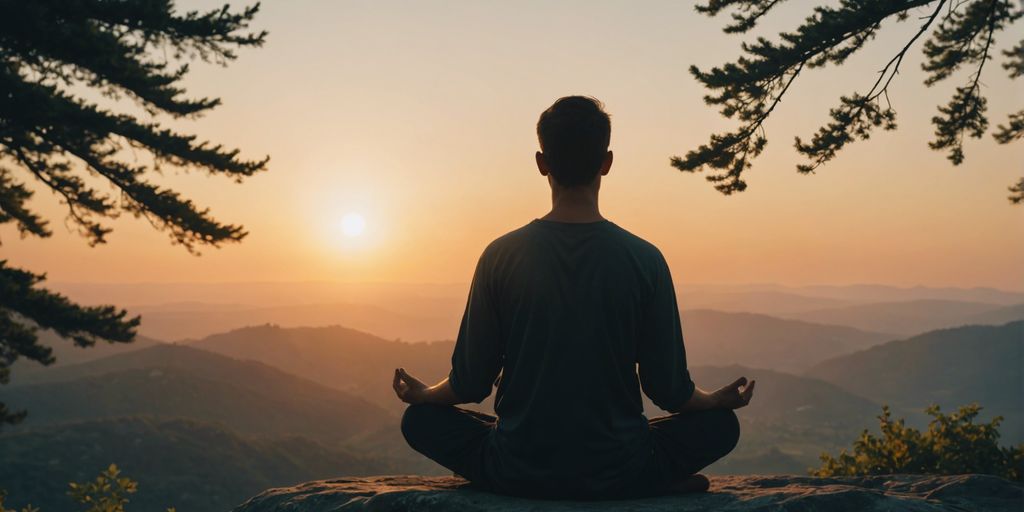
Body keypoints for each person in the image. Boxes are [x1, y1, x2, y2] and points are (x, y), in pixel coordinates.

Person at [392, 95, 755, 500]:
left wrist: (424, 397)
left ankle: (511, 478)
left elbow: (470, 382)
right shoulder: (644, 260)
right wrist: (712, 400)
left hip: (517, 466)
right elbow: (669, 390)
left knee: (419, 421)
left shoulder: (500, 256)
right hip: (621, 466)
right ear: (607, 162)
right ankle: (649, 481)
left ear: (541, 162)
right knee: (722, 426)